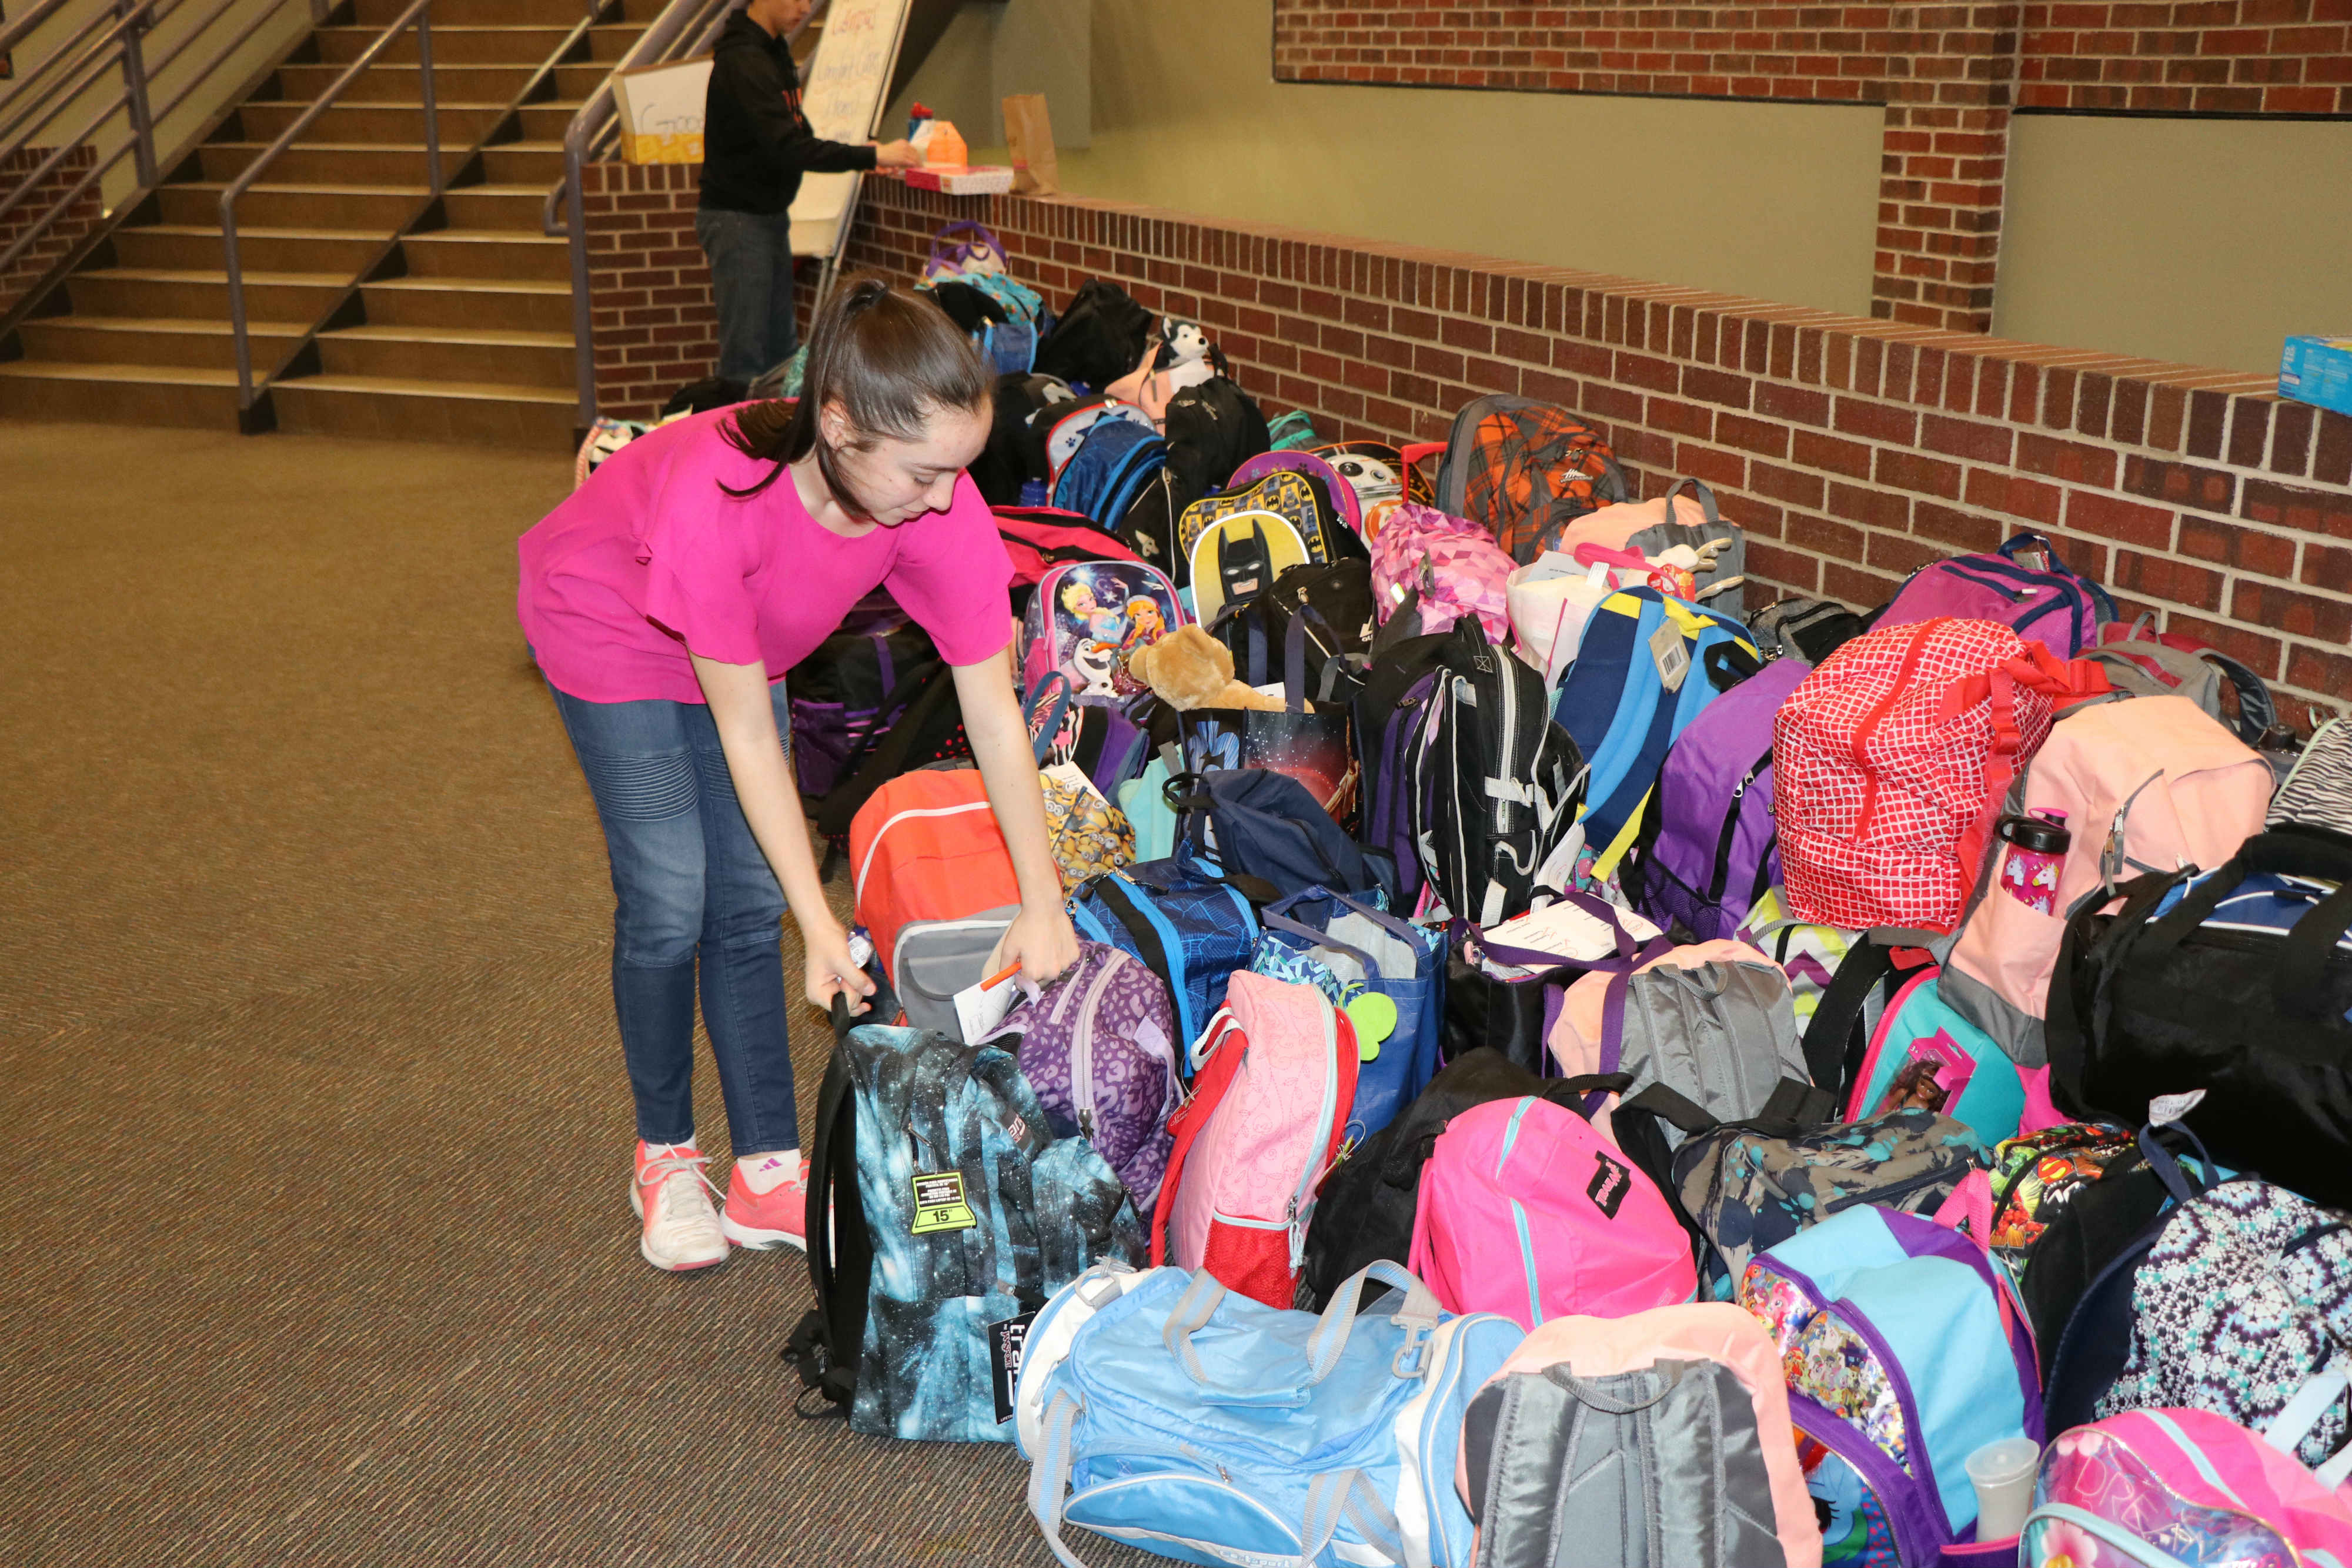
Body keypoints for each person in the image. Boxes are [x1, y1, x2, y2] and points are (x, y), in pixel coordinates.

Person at [517, 278, 1079, 1273]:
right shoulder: (722, 495)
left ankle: (765, 1170)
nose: (945, 497)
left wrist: (1045, 901)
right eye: (924, 471)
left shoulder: (934, 496)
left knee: (744, 897)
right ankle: (665, 1154)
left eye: (960, 468)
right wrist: (821, 922)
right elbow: (748, 737)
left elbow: (995, 710)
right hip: (608, 617)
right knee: (671, 892)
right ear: (839, 426)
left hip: (739, 637)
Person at [696, 0, 921, 389]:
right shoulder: (744, 61)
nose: (806, 8)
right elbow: (788, 148)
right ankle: (740, 426)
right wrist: (870, 156)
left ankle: (779, 424)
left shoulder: (774, 51)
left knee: (781, 352)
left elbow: (798, 132)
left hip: (767, 215)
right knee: (747, 357)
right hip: (739, 220)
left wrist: (866, 153)